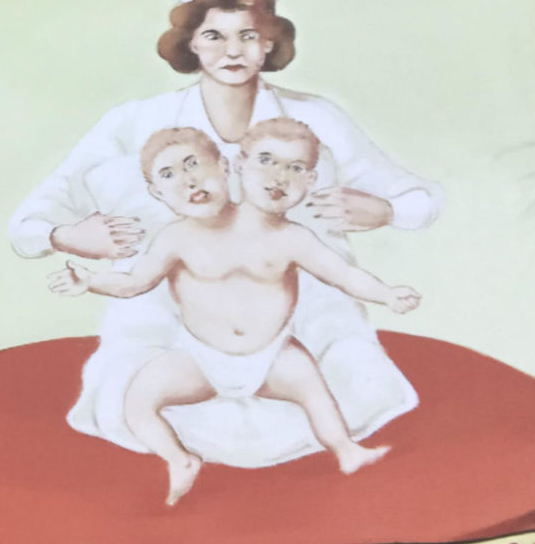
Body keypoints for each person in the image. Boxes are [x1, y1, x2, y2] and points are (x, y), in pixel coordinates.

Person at [12, 0, 439, 468]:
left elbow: (422, 199)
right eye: (214, 36)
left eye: (249, 35)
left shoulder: (316, 117)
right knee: (134, 398)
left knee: (344, 392)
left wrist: (386, 210)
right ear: (190, 43)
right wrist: (66, 236)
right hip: (170, 328)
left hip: (302, 326)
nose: (232, 52)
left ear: (270, 42)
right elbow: (28, 223)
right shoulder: (135, 121)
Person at [50, 121, 420, 504]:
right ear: (156, 192)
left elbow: (345, 275)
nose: (189, 181)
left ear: (225, 167)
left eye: (194, 164)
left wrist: (387, 294)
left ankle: (346, 450)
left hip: (272, 356)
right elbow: (133, 282)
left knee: (315, 392)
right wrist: (89, 281)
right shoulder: (176, 238)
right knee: (137, 402)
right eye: (169, 175)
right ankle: (179, 459)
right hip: (200, 358)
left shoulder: (291, 237)